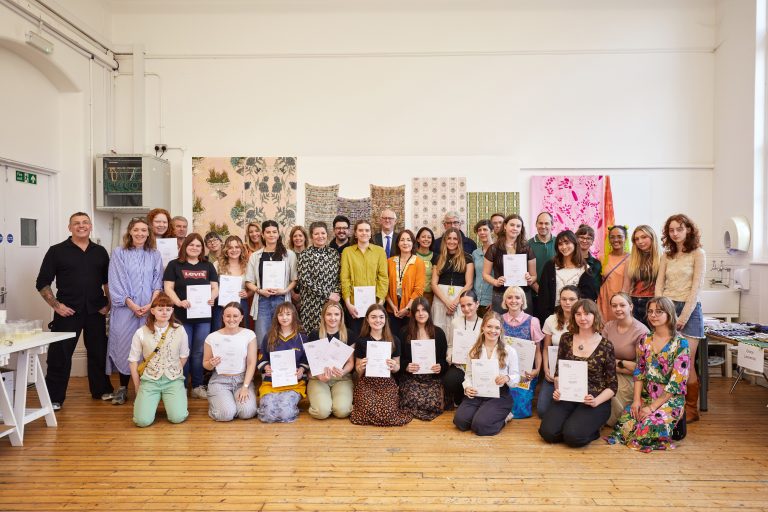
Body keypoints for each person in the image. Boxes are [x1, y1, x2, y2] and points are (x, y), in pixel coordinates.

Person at [36, 212, 114, 409]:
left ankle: (101, 390)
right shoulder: (56, 251)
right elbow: (42, 282)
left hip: (96, 310)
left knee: (98, 352)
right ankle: (54, 397)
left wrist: (109, 304)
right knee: (59, 355)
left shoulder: (100, 251)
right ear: (69, 227)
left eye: (85, 222)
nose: (81, 226)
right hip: (67, 311)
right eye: (77, 223)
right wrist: (56, 306)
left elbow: (108, 282)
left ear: (90, 226)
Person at [606, 296, 690, 452]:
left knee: (645, 430)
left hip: (668, 399)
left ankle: (672, 423)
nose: (653, 315)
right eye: (650, 311)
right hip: (647, 395)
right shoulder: (645, 339)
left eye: (659, 312)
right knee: (623, 425)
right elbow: (639, 371)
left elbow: (676, 383)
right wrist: (637, 401)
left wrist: (651, 408)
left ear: (669, 314)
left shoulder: (681, 343)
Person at [539, 299, 617, 448]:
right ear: (573, 316)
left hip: (593, 399)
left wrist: (596, 401)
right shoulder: (566, 339)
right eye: (578, 314)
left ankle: (589, 428)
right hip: (568, 396)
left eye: (587, 314)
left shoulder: (606, 345)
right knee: (547, 433)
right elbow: (558, 373)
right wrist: (558, 390)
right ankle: (573, 423)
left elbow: (612, 386)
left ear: (595, 316)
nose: (583, 318)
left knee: (574, 437)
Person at [106, 217, 163, 405]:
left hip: (149, 309)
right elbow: (116, 281)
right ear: (130, 232)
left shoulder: (154, 254)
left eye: (144, 230)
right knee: (125, 346)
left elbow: (157, 281)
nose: (140, 233)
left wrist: (151, 305)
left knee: (148, 347)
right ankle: (123, 388)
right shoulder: (119, 253)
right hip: (125, 310)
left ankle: (147, 388)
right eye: (136, 230)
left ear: (149, 233)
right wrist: (131, 305)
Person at [655, 214, 705, 423]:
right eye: (671, 230)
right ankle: (670, 404)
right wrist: (658, 308)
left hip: (689, 311)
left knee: (686, 362)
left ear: (688, 230)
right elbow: (659, 284)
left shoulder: (698, 253)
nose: (675, 233)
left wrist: (682, 317)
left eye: (679, 229)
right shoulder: (666, 255)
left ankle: (691, 408)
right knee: (667, 360)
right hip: (667, 307)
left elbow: (696, 288)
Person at [163, 233, 219, 399]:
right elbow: (168, 288)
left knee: (199, 352)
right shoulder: (174, 265)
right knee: (182, 351)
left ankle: (196, 385)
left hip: (202, 317)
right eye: (191, 245)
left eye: (198, 246)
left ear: (202, 248)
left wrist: (212, 297)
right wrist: (179, 302)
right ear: (185, 246)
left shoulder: (207, 265)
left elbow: (215, 287)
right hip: (181, 316)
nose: (195, 248)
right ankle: (180, 384)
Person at [453, 312, 520, 436]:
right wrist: (467, 387)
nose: (492, 331)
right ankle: (482, 411)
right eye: (489, 326)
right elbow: (468, 375)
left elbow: (516, 376)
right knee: (460, 422)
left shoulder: (509, 351)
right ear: (483, 327)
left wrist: (507, 377)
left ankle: (505, 416)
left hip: (499, 395)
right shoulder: (473, 350)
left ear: (501, 330)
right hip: (478, 393)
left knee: (480, 426)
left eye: (497, 328)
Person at [128, 293, 189, 427]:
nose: (164, 312)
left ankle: (177, 394)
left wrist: (174, 369)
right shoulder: (141, 332)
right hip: (150, 380)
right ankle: (148, 401)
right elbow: (133, 361)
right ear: (153, 311)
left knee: (177, 417)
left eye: (168, 309)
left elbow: (184, 355)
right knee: (142, 421)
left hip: (173, 379)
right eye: (160, 309)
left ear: (172, 310)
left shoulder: (180, 330)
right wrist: (137, 387)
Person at [350, 304, 413, 426]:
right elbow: (358, 370)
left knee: (388, 413)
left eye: (381, 317)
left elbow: (397, 368)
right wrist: (361, 367)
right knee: (366, 410)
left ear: (385, 319)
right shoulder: (361, 341)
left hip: (387, 382)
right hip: (367, 382)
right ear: (367, 319)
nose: (377, 320)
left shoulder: (394, 340)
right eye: (373, 317)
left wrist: (394, 366)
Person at [244, 220, 298, 345]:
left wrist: (285, 290)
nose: (271, 234)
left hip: (282, 300)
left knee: (283, 335)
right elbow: (248, 281)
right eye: (268, 232)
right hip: (262, 300)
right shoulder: (255, 256)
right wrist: (259, 290)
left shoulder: (289, 255)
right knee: (262, 336)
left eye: (274, 232)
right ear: (263, 234)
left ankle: (281, 362)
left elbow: (294, 279)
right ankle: (264, 363)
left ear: (279, 234)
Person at [202, 303, 258, 421]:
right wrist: (211, 364)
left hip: (242, 380)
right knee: (225, 415)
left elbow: (251, 363)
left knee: (247, 413)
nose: (231, 319)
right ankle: (220, 404)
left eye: (235, 316)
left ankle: (231, 403)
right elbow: (206, 365)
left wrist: (245, 387)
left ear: (241, 317)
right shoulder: (212, 337)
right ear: (222, 317)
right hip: (220, 381)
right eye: (228, 316)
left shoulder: (249, 334)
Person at [602, 292, 649, 426]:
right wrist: (624, 364)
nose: (618, 309)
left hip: (631, 378)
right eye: (614, 306)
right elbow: (601, 358)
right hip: (609, 372)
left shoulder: (641, 331)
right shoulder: (608, 327)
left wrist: (614, 363)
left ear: (631, 306)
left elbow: (640, 368)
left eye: (622, 305)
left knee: (613, 393)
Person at [256, 302, 308, 423]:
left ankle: (289, 407)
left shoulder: (302, 337)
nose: (284, 317)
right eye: (281, 314)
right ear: (276, 317)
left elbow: (306, 360)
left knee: (285, 414)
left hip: (294, 384)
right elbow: (262, 358)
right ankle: (277, 405)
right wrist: (266, 367)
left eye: (288, 314)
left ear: (294, 316)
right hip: (271, 383)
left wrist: (301, 370)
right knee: (268, 415)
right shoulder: (269, 337)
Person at [398, 298, 448, 421]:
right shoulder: (404, 332)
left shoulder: (439, 333)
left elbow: (443, 360)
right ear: (413, 313)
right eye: (417, 311)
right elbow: (400, 359)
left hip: (432, 378)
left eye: (424, 310)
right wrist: (406, 366)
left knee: (433, 403)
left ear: (429, 312)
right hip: (412, 378)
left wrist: (440, 366)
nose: (421, 314)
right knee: (410, 398)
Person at [306, 301, 357, 419]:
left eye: (336, 314)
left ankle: (334, 402)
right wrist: (320, 377)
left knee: (342, 411)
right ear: (323, 316)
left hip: (341, 379)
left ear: (341, 316)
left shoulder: (349, 334)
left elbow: (350, 363)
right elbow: (312, 363)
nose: (333, 318)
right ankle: (323, 402)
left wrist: (343, 372)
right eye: (329, 314)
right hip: (319, 378)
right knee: (321, 412)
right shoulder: (315, 334)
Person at [500, 286, 544, 419]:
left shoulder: (533, 321)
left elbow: (538, 350)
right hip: (503, 371)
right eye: (510, 297)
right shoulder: (499, 320)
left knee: (520, 410)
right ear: (505, 301)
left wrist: (536, 370)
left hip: (525, 373)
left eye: (517, 297)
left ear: (522, 301)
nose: (513, 300)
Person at [536, 230, 597, 323]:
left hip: (576, 318)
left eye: (567, 243)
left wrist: (578, 317)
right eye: (560, 244)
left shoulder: (585, 269)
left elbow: (588, 298)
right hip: (552, 317)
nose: (564, 247)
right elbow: (543, 295)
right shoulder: (550, 265)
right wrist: (547, 318)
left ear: (575, 244)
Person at [537, 285, 580, 418]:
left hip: (575, 372)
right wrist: (546, 369)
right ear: (559, 300)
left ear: (579, 300)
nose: (567, 303)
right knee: (542, 411)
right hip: (554, 372)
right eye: (564, 299)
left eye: (572, 299)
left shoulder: (583, 320)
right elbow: (545, 348)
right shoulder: (551, 320)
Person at [340, 220, 389, 334]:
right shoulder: (347, 252)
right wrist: (348, 304)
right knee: (356, 338)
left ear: (371, 233)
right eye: (360, 230)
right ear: (355, 233)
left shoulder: (380, 251)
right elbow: (345, 278)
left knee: (374, 337)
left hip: (375, 304)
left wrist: (380, 303)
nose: (364, 233)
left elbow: (383, 278)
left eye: (367, 230)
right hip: (354, 306)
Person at [483, 214, 536, 315]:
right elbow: (485, 274)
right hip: (500, 294)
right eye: (512, 225)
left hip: (522, 295)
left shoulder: (527, 249)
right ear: (505, 226)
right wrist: (495, 282)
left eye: (518, 226)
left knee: (523, 326)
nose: (515, 228)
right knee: (500, 326)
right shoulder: (493, 249)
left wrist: (530, 279)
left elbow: (534, 276)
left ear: (521, 229)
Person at [298, 221, 341, 333]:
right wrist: (328, 294)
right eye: (316, 234)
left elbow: (340, 277)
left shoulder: (334, 253)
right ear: (311, 236)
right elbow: (305, 280)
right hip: (311, 304)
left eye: (323, 233)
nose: (320, 236)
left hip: (331, 303)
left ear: (327, 234)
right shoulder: (305, 254)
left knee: (330, 334)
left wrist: (336, 293)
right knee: (314, 337)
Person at [431, 227, 474, 334]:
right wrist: (447, 302)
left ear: (459, 241)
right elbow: (433, 284)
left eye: (455, 239)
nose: (451, 241)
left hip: (459, 298)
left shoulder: (467, 258)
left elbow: (469, 283)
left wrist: (454, 303)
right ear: (445, 240)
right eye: (449, 238)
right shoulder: (438, 258)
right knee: (439, 328)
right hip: (441, 298)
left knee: (457, 329)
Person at [445, 290, 482, 407]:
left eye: (469, 304)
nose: (466, 309)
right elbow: (450, 345)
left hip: (477, 367)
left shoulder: (484, 324)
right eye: (463, 306)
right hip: (460, 365)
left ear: (477, 304)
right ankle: (459, 396)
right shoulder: (455, 322)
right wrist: (449, 356)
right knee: (449, 381)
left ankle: (469, 399)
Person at [386, 230, 426, 335]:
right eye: (402, 240)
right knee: (393, 340)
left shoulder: (419, 262)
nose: (405, 243)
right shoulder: (389, 262)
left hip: (411, 311)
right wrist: (392, 306)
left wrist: (407, 308)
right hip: (391, 310)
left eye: (408, 240)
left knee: (408, 340)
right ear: (398, 243)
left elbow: (419, 290)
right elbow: (385, 287)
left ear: (413, 243)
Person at [622, 225, 659, 328]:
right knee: (637, 338)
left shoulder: (662, 258)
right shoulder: (630, 260)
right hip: (634, 302)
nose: (640, 241)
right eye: (636, 239)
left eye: (644, 237)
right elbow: (626, 286)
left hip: (654, 303)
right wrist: (622, 304)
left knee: (654, 336)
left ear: (652, 237)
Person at [212, 235, 250, 332]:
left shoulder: (248, 265)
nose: (234, 250)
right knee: (219, 332)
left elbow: (255, 285)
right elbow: (211, 286)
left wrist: (248, 294)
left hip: (241, 304)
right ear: (226, 250)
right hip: (221, 306)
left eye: (237, 247)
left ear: (241, 249)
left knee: (242, 332)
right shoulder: (217, 264)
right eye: (230, 247)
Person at [597, 225, 630, 322]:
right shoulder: (602, 258)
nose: (616, 240)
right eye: (612, 237)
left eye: (619, 236)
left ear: (625, 238)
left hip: (623, 301)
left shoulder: (632, 258)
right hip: (605, 301)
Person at [528, 211, 556, 295]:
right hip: (533, 293)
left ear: (552, 225)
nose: (543, 226)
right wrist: (538, 289)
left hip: (555, 293)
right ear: (536, 224)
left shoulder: (560, 243)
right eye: (540, 223)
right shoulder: (527, 245)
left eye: (546, 223)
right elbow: (525, 270)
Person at [471, 220, 493, 316]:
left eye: (485, 229)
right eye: (479, 230)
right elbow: (473, 276)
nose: (482, 232)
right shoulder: (475, 253)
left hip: (491, 301)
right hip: (476, 301)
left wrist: (495, 300)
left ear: (491, 231)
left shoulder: (499, 250)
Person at [576, 224, 602, 293]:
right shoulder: (568, 259)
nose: (584, 241)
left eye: (588, 238)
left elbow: (596, 286)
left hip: (588, 301)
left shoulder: (596, 264)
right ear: (576, 239)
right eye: (581, 237)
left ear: (592, 241)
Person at [287, 225, 308, 310]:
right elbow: (285, 276)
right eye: (295, 236)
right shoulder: (286, 255)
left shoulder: (310, 254)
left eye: (300, 235)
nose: (297, 238)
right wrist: (292, 294)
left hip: (307, 296)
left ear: (305, 238)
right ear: (292, 239)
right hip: (290, 294)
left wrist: (303, 295)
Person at [415, 227, 436, 304]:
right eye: (423, 237)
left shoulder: (437, 257)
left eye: (429, 237)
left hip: (431, 297)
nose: (426, 239)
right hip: (414, 296)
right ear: (418, 239)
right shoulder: (412, 256)